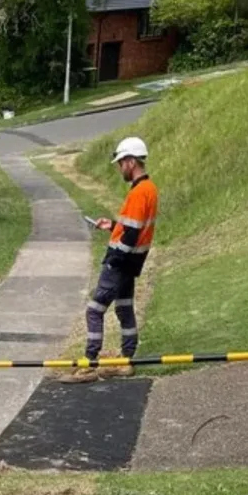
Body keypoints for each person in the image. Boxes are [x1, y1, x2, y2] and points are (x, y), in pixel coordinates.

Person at [85, 136, 158, 363]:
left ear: (131, 162)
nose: (120, 169)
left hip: (120, 263)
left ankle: (89, 361)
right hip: (132, 263)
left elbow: (132, 234)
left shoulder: (138, 193)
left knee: (95, 310)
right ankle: (127, 358)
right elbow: (133, 228)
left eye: (120, 163)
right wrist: (113, 226)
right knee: (124, 308)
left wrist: (114, 259)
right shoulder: (149, 189)